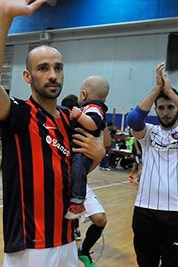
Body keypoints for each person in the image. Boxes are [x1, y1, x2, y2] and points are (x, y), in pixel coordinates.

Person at [0, 0, 105, 267]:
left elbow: (74, 172)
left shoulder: (69, 120)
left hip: (67, 239)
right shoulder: (19, 113)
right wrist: (3, 17)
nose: (52, 75)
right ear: (28, 76)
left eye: (58, 68)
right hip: (30, 246)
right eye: (44, 68)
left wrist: (97, 157)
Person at [126, 62, 178, 267]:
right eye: (161, 107)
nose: (165, 112)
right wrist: (157, 89)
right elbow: (133, 120)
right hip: (145, 211)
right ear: (155, 109)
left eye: (170, 107)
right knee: (146, 263)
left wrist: (170, 92)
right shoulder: (148, 133)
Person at [60, 94, 109, 267]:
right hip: (57, 181)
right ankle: (73, 228)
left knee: (100, 219)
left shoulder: (85, 120)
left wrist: (98, 154)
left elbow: (106, 143)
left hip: (77, 182)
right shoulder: (58, 128)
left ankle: (84, 250)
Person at [65, 75, 110, 219]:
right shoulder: (89, 109)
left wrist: (79, 117)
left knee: (78, 169)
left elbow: (94, 124)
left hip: (83, 152)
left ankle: (78, 202)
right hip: (78, 152)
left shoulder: (93, 109)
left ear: (83, 94)